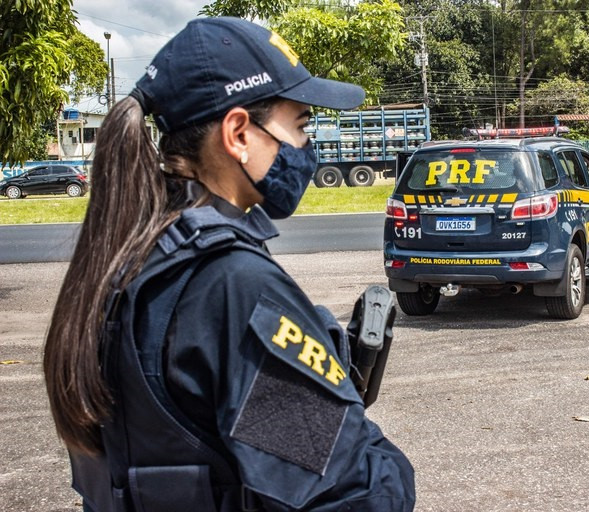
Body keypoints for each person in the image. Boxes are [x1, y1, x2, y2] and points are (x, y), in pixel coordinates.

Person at [43, 17, 415, 512]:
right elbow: (356, 496)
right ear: (239, 132)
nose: (308, 147)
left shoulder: (124, 255)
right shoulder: (230, 286)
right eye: (301, 125)